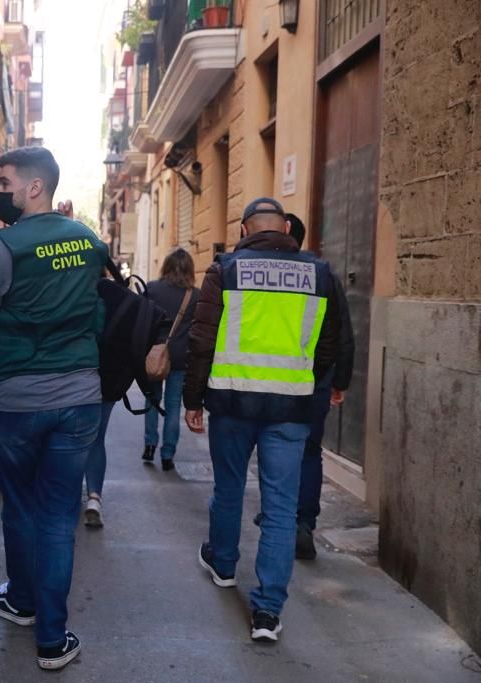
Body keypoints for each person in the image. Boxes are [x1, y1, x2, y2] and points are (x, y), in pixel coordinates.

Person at [0, 146, 107, 671]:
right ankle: (52, 637)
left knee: (21, 507)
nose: (0, 191)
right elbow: (102, 302)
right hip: (80, 398)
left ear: (34, 188)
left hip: (17, 400)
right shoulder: (89, 240)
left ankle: (21, 601)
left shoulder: (4, 246)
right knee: (58, 516)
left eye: (5, 181)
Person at [184, 198, 342, 643]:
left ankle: (223, 564)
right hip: (291, 407)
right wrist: (311, 388)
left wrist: (192, 398)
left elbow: (201, 340)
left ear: (244, 228)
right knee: (280, 508)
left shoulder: (226, 269)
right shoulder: (319, 273)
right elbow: (327, 345)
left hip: (233, 403)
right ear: (287, 227)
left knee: (229, 488)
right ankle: (268, 611)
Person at [285, 213, 354, 559]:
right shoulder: (325, 275)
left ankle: (280, 520)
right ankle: (303, 523)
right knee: (310, 450)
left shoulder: (276, 274)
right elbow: (342, 331)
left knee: (279, 447)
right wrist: (338, 380)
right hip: (315, 380)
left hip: (277, 380)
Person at [142, 248, 200, 472]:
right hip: (180, 357)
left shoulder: (152, 288)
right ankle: (168, 454)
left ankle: (149, 445)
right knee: (174, 406)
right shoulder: (194, 295)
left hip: (153, 354)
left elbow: (142, 318)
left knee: (152, 401)